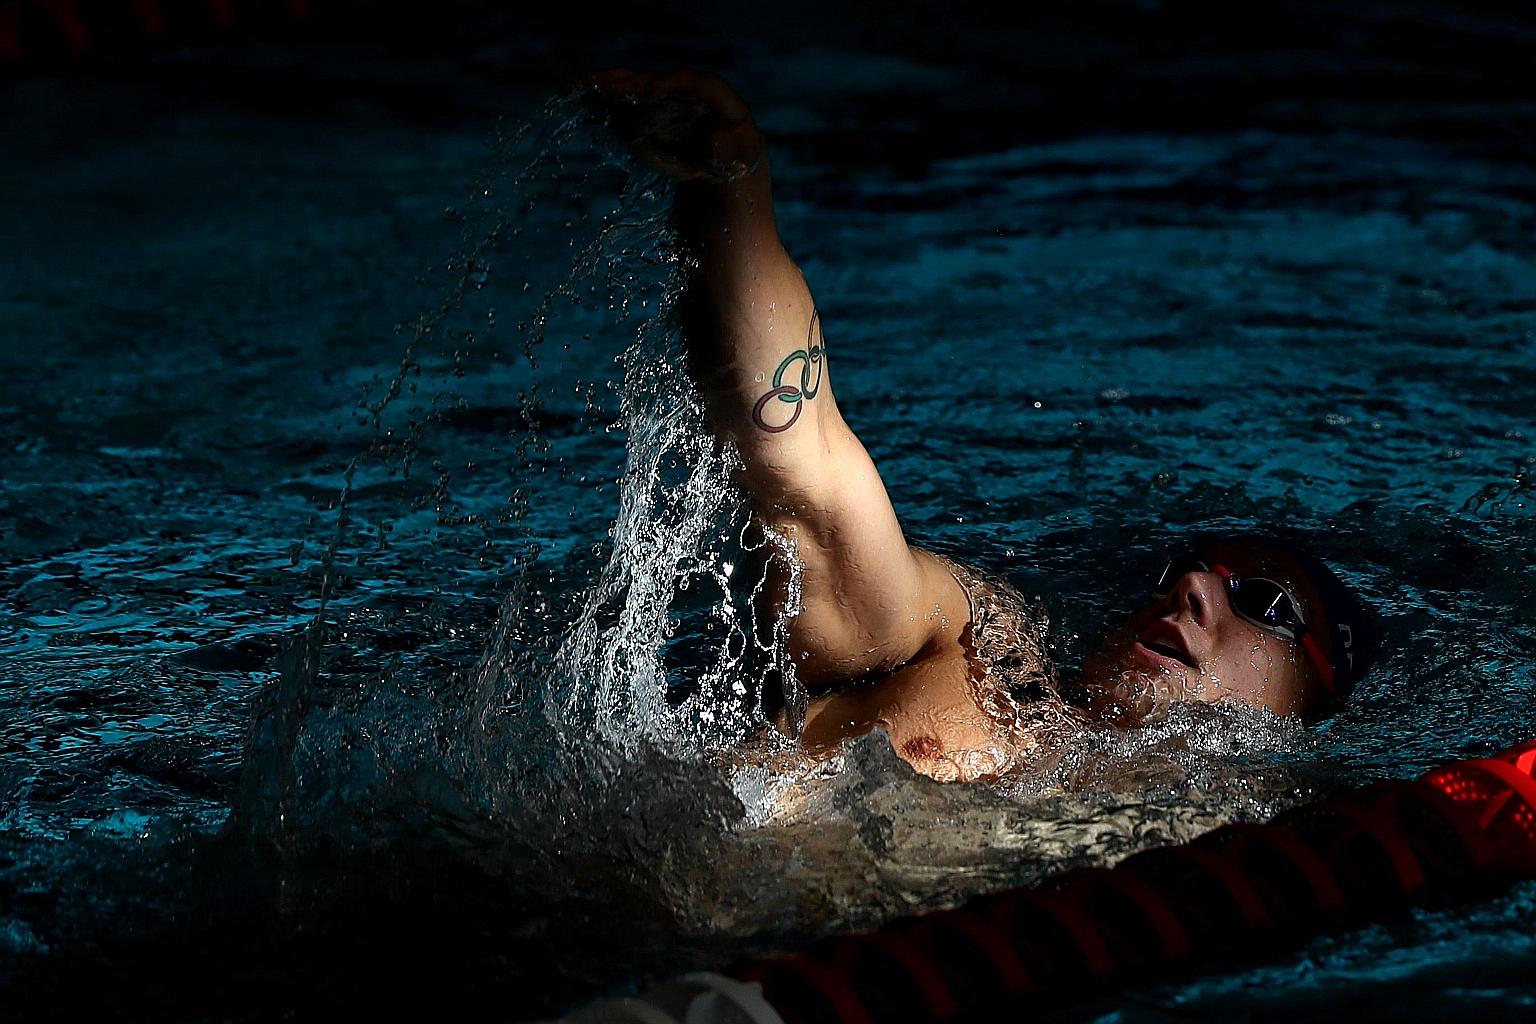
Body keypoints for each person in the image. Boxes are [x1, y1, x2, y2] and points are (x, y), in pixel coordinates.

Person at [584, 70, 1379, 782]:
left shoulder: (1240, 858)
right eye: (1188, 567)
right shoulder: (979, 653)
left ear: (1307, 700)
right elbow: (804, 476)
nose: (1193, 585)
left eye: (1266, 601)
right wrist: (733, 188)